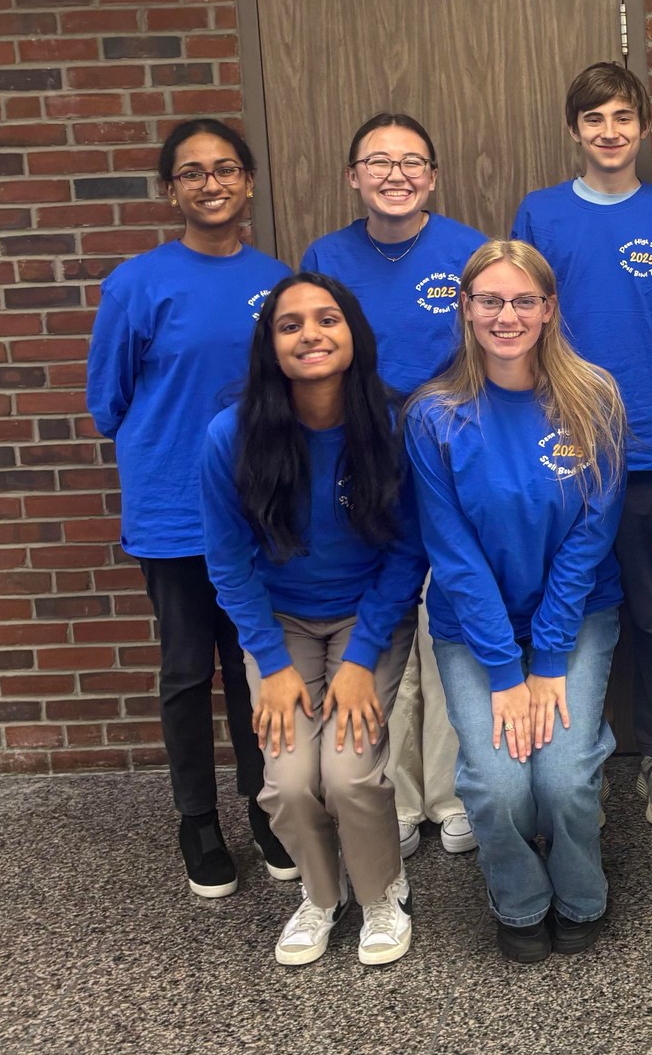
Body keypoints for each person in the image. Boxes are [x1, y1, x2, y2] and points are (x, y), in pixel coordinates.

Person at [86, 118, 294, 898]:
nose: (212, 183)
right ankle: (196, 820)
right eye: (193, 172)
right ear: (171, 189)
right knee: (184, 670)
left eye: (227, 168)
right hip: (172, 511)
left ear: (248, 182)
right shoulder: (136, 283)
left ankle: (266, 809)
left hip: (254, 511)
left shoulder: (277, 282)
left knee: (252, 670)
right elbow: (107, 404)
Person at [404, 240, 625, 964]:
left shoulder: (595, 396)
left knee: (561, 780)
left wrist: (550, 657)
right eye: (490, 300)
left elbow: (591, 537)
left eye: (523, 300)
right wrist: (506, 670)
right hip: (475, 630)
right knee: (498, 789)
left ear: (549, 309)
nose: (507, 315)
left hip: (577, 616)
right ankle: (519, 895)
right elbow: (452, 553)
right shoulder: (433, 416)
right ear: (464, 309)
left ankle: (581, 892)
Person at [201, 273, 425, 966]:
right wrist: (268, 663)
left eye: (327, 319)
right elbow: (228, 561)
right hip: (281, 624)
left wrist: (360, 661)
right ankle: (322, 898)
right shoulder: (229, 435)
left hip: (368, 616)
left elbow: (410, 550)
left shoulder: (393, 424)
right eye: (290, 324)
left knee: (351, 773)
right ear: (270, 346)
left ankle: (382, 891)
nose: (310, 334)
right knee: (291, 779)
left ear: (353, 335)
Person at [512, 62, 652, 827]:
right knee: (557, 603)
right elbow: (519, 318)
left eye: (622, 116)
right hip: (562, 446)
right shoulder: (541, 214)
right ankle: (566, 755)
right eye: (593, 119)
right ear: (574, 130)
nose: (609, 131)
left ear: (643, 127)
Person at [302, 112, 488, 859]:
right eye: (377, 161)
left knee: (446, 628)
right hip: (364, 464)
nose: (395, 173)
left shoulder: (468, 251)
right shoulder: (325, 254)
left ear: (432, 177)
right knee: (384, 637)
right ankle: (398, 797)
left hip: (447, 459)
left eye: (411, 161)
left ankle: (451, 794)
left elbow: (492, 355)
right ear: (353, 177)